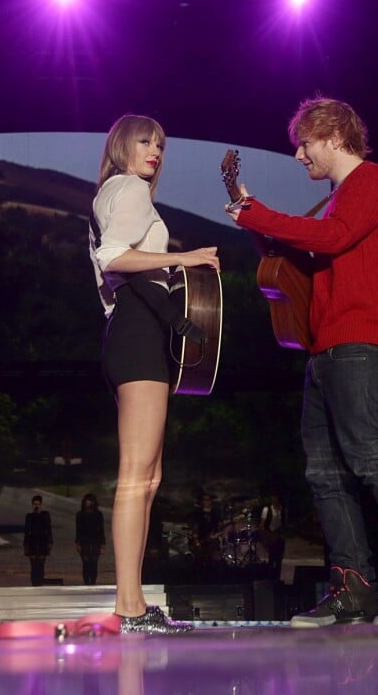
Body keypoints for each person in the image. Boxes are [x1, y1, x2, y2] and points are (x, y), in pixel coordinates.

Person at [226, 96, 378, 628]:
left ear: (334, 137)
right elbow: (312, 260)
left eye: (303, 143)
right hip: (325, 349)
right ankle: (352, 591)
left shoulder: (373, 181)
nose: (298, 155)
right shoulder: (337, 199)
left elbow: (333, 239)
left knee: (375, 458)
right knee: (325, 474)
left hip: (360, 343)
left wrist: (262, 214)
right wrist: (257, 225)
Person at [89, 113, 220, 635]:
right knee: (136, 475)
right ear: (122, 144)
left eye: (161, 144)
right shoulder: (130, 189)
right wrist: (186, 257)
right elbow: (114, 256)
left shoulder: (109, 193)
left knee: (147, 478)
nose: (155, 151)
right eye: (145, 141)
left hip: (131, 331)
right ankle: (128, 607)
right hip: (137, 334)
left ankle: (135, 601)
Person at [75, 493, 106, 585]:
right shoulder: (80, 515)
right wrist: (78, 543)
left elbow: (101, 530)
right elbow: (78, 530)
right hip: (84, 541)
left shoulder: (98, 515)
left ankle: (93, 582)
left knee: (94, 563)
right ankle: (86, 582)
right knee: (86, 563)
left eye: (90, 501)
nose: (88, 503)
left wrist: (102, 544)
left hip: (95, 541)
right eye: (87, 501)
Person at [24, 495, 53, 586]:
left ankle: (40, 582)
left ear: (41, 505)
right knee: (33, 566)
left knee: (41, 565)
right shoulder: (29, 516)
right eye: (34, 504)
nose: (36, 506)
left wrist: (50, 542)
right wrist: (26, 545)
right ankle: (34, 583)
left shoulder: (45, 515)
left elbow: (48, 529)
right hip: (32, 543)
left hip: (42, 543)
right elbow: (27, 531)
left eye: (38, 504)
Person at [258, 492, 286, 579]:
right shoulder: (267, 509)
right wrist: (265, 536)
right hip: (270, 535)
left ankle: (277, 578)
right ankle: (270, 578)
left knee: (279, 559)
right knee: (272, 558)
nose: (274, 499)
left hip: (280, 535)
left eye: (276, 497)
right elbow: (262, 524)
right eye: (273, 497)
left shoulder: (282, 510)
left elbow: (284, 523)